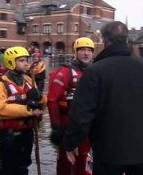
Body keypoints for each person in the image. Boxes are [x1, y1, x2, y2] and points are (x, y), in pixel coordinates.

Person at [64, 21, 143, 175]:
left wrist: (71, 142)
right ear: (126, 39)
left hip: (109, 152)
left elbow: (81, 113)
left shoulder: (95, 71)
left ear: (105, 41)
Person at [0, 46, 46, 175]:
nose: (26, 63)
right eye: (21, 60)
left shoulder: (29, 80)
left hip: (27, 133)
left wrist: (40, 97)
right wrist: (28, 109)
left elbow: (43, 103)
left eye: (27, 60)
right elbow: (0, 109)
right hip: (8, 135)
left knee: (23, 167)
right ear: (11, 62)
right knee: (8, 168)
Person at [47, 37, 94, 175]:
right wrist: (56, 127)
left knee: (83, 157)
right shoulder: (65, 72)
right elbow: (52, 100)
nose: (86, 53)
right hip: (68, 124)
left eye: (89, 50)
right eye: (82, 50)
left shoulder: (94, 72)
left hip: (88, 125)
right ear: (75, 52)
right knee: (66, 162)